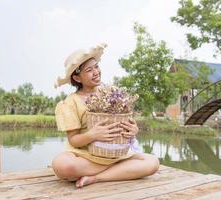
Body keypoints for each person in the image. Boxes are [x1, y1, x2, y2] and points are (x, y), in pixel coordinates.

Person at [53, 43, 159, 188]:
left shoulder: (112, 92)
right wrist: (92, 135)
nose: (96, 72)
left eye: (96, 67)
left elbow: (126, 122)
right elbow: (73, 140)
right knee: (61, 165)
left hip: (115, 154)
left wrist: (133, 130)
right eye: (89, 70)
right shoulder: (71, 102)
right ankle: (119, 171)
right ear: (77, 78)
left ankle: (96, 178)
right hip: (86, 156)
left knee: (153, 163)